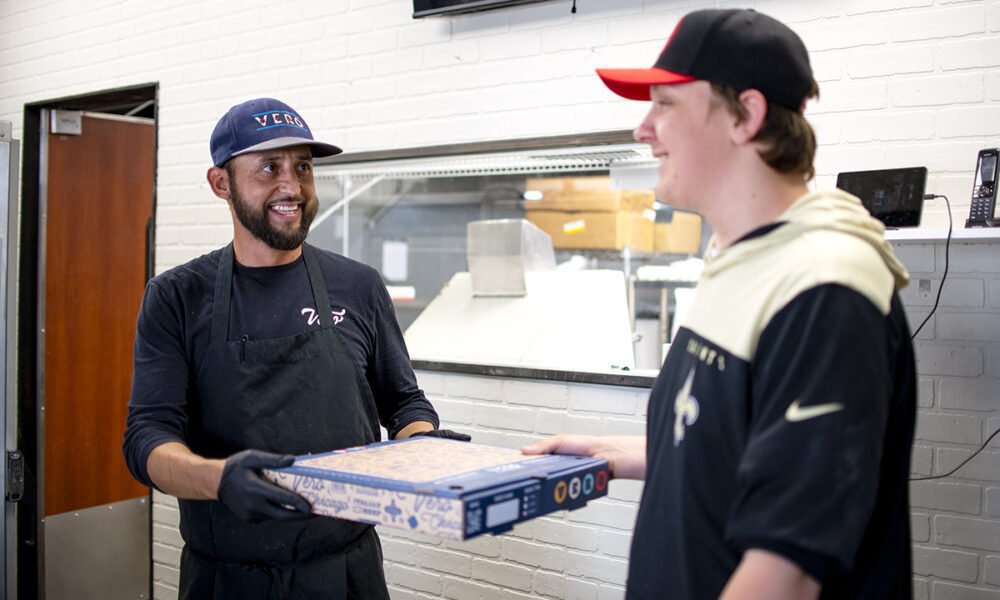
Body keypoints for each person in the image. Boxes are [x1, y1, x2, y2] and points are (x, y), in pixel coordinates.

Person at [523, 9, 916, 600]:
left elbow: (786, 569)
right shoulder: (741, 261)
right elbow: (738, 443)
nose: (643, 129)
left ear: (746, 116)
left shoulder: (824, 288)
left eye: (666, 104)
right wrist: (610, 452)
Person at [122, 97, 468, 599]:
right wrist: (219, 479)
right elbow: (146, 439)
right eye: (269, 168)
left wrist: (420, 444)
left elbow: (403, 402)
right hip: (227, 579)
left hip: (347, 573)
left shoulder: (359, 285)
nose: (292, 187)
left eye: (302, 167)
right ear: (222, 183)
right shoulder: (177, 296)